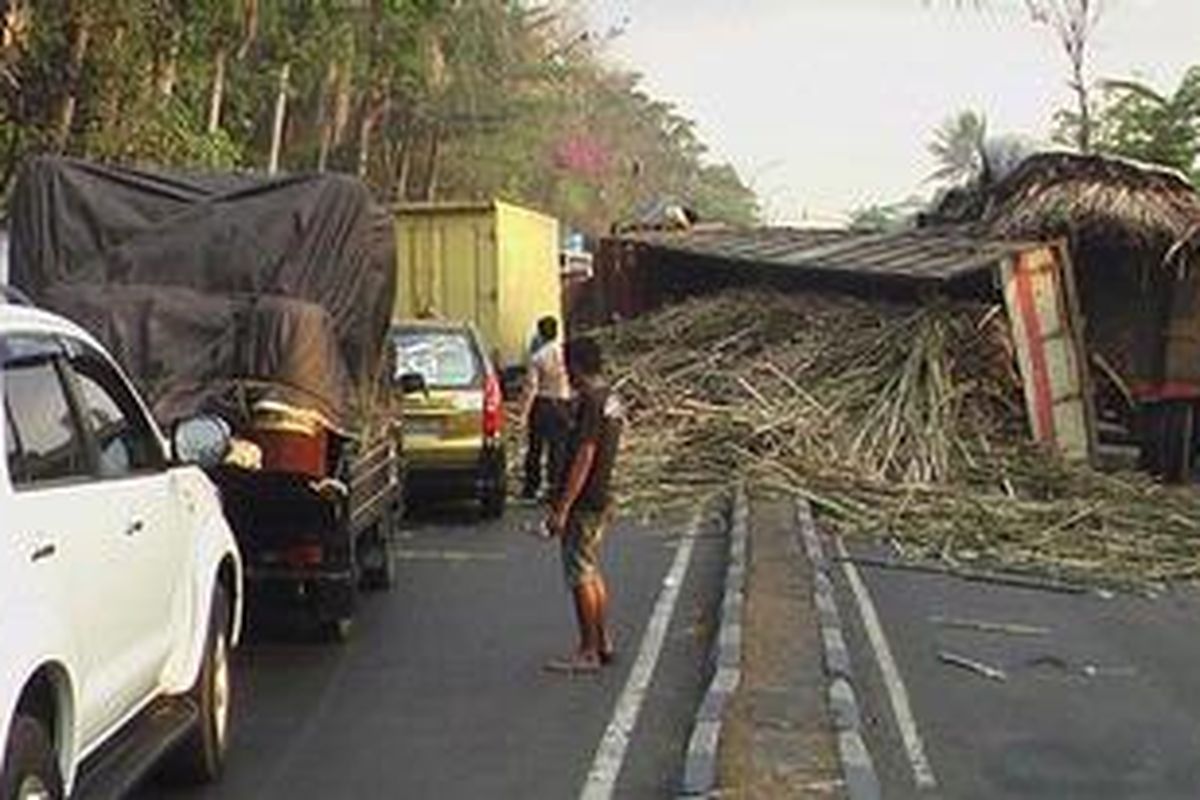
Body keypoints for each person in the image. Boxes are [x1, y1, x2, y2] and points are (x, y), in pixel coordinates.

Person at [544, 336, 624, 674]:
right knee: (591, 569)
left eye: (566, 364)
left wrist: (563, 506)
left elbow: (585, 453)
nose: (566, 372)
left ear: (577, 364)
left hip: (585, 498)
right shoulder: (612, 398)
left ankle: (588, 650)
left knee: (579, 574)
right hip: (601, 494)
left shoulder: (590, 401)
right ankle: (603, 640)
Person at [519, 316, 571, 500]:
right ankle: (556, 486)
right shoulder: (566, 353)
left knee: (536, 447)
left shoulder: (538, 357)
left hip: (544, 402)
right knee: (559, 447)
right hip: (564, 402)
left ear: (540, 333)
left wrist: (523, 413)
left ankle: (531, 486)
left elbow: (531, 387)